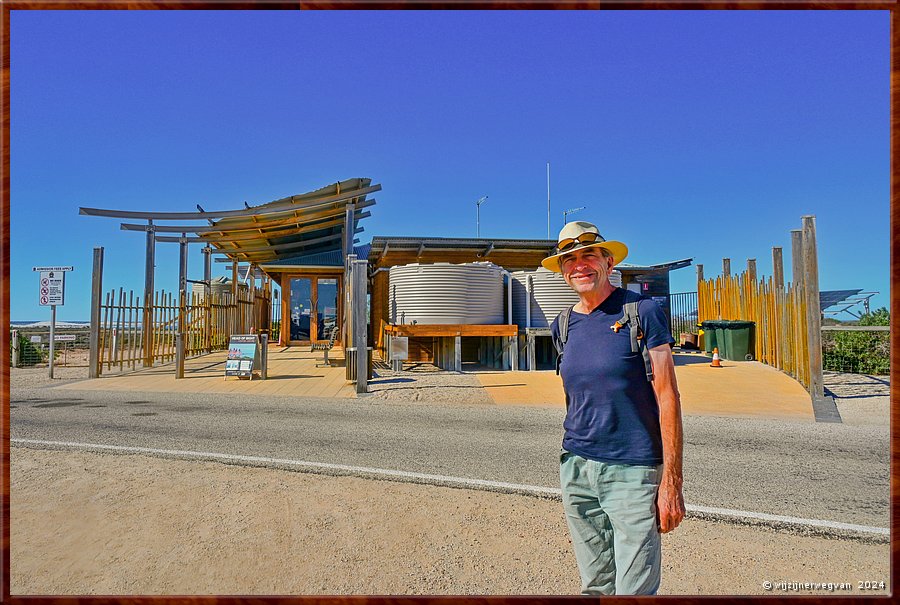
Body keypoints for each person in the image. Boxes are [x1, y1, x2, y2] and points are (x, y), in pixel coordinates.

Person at [543, 220, 685, 596]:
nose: (579, 265)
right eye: (569, 259)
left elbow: (668, 396)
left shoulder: (641, 312)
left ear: (608, 262)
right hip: (577, 468)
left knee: (634, 590)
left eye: (588, 255)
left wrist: (671, 482)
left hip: (633, 471)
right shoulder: (563, 325)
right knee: (595, 585)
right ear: (562, 270)